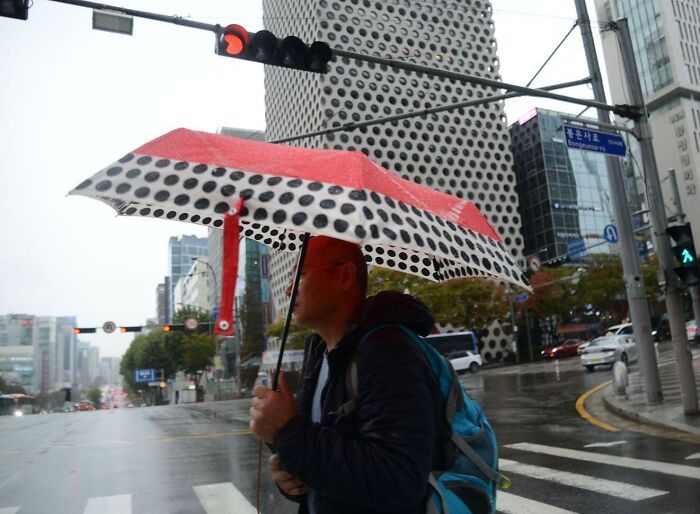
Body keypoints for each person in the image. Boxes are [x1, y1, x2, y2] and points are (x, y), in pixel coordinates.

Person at [249, 236, 445, 514]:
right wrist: (292, 475)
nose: (288, 289)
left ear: (345, 275)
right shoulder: (319, 353)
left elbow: (397, 480)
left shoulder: (388, 353)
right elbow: (324, 461)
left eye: (301, 275)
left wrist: (288, 431)